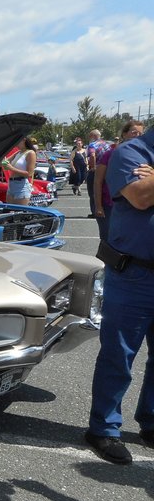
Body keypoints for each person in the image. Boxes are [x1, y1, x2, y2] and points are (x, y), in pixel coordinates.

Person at [85, 124, 154, 464]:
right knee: (119, 354)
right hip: (135, 274)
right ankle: (104, 428)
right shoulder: (131, 152)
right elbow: (142, 196)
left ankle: (151, 421)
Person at [93, 120, 144, 241]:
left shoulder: (144, 156)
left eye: (140, 134)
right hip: (111, 206)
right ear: (124, 134)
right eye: (134, 132)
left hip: (134, 206)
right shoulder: (109, 154)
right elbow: (98, 181)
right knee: (109, 240)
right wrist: (99, 206)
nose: (137, 136)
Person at [3, 136, 37, 206]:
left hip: (21, 185)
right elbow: (1, 164)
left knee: (19, 213)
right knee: (10, 210)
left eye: (17, 141)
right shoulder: (18, 152)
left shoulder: (31, 153)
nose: (15, 144)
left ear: (24, 140)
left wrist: (11, 168)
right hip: (11, 184)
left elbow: (29, 174)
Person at [86, 129, 113, 216]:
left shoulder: (92, 145)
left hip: (97, 170)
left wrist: (93, 167)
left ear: (93, 136)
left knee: (93, 191)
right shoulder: (106, 144)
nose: (89, 138)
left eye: (90, 136)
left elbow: (93, 155)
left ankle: (95, 211)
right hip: (107, 171)